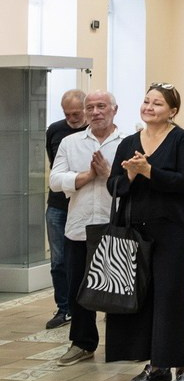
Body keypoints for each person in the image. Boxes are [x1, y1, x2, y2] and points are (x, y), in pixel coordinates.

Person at [105, 83, 184, 381]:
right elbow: (113, 186)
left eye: (157, 103)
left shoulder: (182, 139)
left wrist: (148, 171)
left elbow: (183, 181)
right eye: (146, 101)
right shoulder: (130, 141)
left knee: (171, 295)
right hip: (135, 230)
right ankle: (156, 366)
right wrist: (131, 175)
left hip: (172, 229)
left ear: (172, 111)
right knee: (143, 298)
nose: (149, 107)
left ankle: (181, 364)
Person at [49, 91, 123, 366]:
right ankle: (82, 343)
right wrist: (86, 176)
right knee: (78, 288)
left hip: (114, 224)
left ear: (114, 109)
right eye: (90, 107)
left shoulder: (128, 142)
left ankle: (122, 345)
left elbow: (134, 182)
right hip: (79, 227)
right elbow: (55, 180)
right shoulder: (71, 143)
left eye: (101, 106)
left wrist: (107, 174)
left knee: (117, 289)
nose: (95, 112)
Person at [44, 89, 87, 330]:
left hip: (85, 203)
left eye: (76, 113)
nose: (72, 118)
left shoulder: (94, 130)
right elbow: (56, 167)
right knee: (59, 261)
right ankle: (64, 308)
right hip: (59, 204)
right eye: (67, 114)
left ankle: (97, 303)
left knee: (90, 259)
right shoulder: (56, 130)